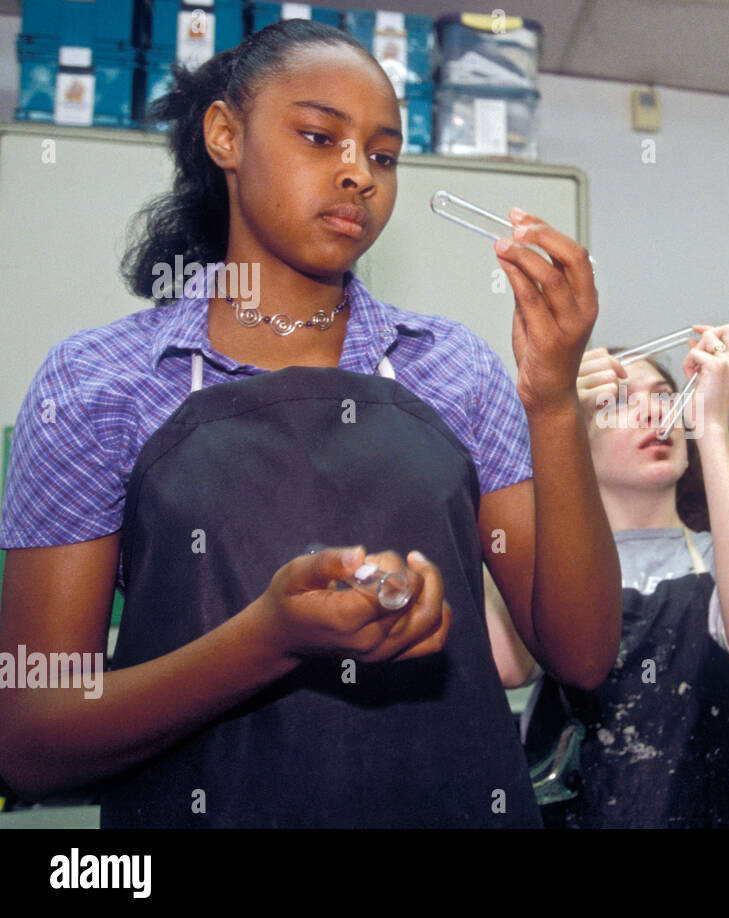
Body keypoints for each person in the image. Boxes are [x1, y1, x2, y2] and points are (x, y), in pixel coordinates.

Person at [0, 20, 621, 828]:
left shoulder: (454, 370)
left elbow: (583, 653)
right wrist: (269, 640)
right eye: (321, 137)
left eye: (384, 154)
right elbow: (31, 739)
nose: (358, 174)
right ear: (225, 134)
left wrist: (552, 399)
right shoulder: (99, 385)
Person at [523, 329, 729, 828]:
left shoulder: (727, 557)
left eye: (665, 397)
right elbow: (507, 665)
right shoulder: (545, 566)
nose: (656, 413)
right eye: (621, 401)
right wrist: (547, 424)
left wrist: (712, 427)